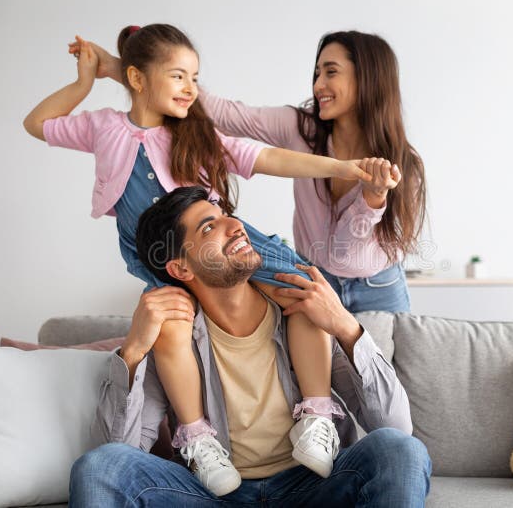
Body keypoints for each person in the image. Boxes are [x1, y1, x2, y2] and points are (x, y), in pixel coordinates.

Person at [23, 24, 394, 496]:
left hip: (219, 249)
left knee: (304, 286)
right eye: (179, 77)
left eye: (194, 78)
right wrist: (85, 81)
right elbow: (37, 125)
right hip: (161, 260)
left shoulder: (198, 136)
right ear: (137, 80)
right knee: (172, 327)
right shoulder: (103, 128)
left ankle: (317, 414)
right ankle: (199, 439)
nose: (191, 89)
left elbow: (272, 159)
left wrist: (343, 168)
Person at [69, 186, 432, 507]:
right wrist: (132, 351)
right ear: (180, 269)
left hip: (314, 486)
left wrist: (346, 325)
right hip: (210, 494)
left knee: (401, 451)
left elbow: (395, 426)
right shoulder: (172, 337)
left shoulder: (301, 313)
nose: (235, 226)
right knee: (99, 467)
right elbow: (118, 451)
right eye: (209, 227)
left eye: (226, 216)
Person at [75, 30, 426, 314]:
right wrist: (134, 72)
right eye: (317, 73)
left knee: (380, 381)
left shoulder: (403, 167)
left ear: (368, 79)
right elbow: (224, 113)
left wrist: (373, 199)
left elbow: (348, 254)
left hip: (379, 288)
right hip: (312, 276)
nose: (318, 84)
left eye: (331, 72)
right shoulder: (299, 128)